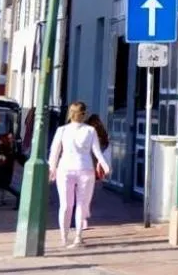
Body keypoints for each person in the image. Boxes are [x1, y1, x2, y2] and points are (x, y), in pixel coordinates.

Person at [48, 102, 108, 249]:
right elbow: (97, 152)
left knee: (65, 205)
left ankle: (64, 237)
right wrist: (105, 165)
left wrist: (52, 170)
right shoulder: (90, 130)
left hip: (65, 169)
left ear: (70, 113)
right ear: (84, 114)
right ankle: (78, 237)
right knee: (82, 204)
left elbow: (54, 152)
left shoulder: (62, 130)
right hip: (85, 169)